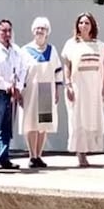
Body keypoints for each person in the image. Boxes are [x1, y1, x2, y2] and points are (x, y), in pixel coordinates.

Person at [62, 12, 104, 168]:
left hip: (94, 86)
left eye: (87, 23)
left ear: (92, 26)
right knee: (78, 118)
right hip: (78, 85)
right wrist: (68, 84)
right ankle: (80, 153)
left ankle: (89, 149)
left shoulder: (100, 45)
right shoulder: (71, 44)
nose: (83, 25)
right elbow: (67, 66)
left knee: (92, 117)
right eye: (81, 23)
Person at [19, 17, 63, 169]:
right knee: (31, 123)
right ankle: (32, 155)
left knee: (43, 124)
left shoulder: (52, 50)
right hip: (30, 90)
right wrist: (20, 92)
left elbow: (58, 72)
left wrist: (56, 90)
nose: (40, 31)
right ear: (33, 30)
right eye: (37, 28)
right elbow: (20, 72)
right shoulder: (25, 50)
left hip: (46, 90)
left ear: (47, 32)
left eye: (43, 29)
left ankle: (39, 155)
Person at [0, 19, 27, 170]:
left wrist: (19, 87)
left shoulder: (16, 50)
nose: (7, 34)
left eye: (9, 31)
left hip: (12, 93)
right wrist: (6, 85)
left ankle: (4, 157)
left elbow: (22, 69)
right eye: (3, 31)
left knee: (7, 128)